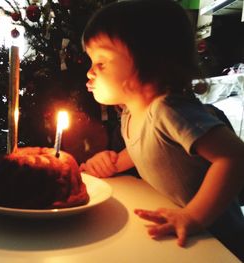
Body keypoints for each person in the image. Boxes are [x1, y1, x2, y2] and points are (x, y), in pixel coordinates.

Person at [79, 0, 244, 260]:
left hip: (219, 241)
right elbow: (150, 146)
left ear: (148, 62)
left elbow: (234, 156)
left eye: (101, 63)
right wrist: (115, 163)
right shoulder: (133, 111)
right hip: (184, 240)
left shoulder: (168, 110)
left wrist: (192, 217)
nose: (90, 72)